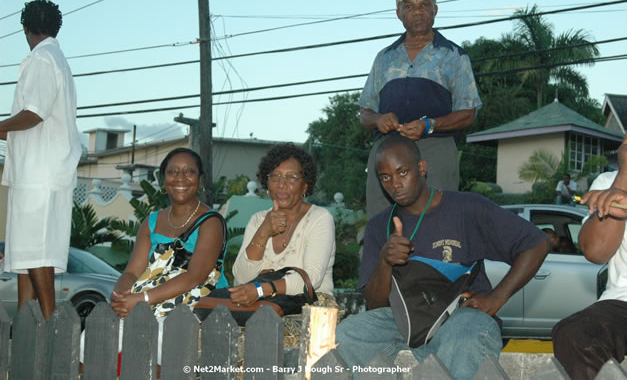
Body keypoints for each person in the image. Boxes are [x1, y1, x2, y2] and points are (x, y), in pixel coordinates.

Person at [335, 135, 550, 380]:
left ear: (422, 168)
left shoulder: (467, 208)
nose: (395, 184)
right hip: (401, 320)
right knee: (347, 335)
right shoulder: (378, 227)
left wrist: (496, 298)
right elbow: (375, 306)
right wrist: (385, 261)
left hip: (460, 315)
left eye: (402, 172)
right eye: (386, 177)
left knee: (465, 339)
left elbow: (537, 243)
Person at [82, 148, 226, 363]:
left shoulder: (210, 221)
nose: (180, 178)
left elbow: (195, 276)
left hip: (194, 301)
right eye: (173, 172)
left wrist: (142, 300)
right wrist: (121, 297)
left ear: (201, 179)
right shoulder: (152, 221)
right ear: (163, 179)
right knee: (94, 337)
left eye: (189, 172)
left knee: (159, 343)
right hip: (148, 299)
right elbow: (132, 271)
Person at [359, 0, 482, 219]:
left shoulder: (454, 55)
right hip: (387, 151)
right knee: (381, 222)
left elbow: (469, 112)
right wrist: (379, 119)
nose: (417, 11)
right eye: (409, 6)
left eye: (424, 5)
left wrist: (430, 125)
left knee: (438, 222)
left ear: (435, 10)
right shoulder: (384, 58)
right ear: (398, 13)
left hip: (436, 149)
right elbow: (365, 113)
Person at [0, 0, 81, 320]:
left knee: (37, 252)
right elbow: (31, 125)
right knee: (25, 254)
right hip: (43, 171)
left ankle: (47, 323)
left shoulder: (42, 59)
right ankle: (25, 325)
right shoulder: (56, 59)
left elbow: (33, 113)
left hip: (39, 175)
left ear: (24, 28)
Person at [552, 135, 627, 380]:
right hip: (622, 302)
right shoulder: (608, 181)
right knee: (574, 333)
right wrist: (623, 179)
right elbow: (595, 252)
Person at [231, 143, 335, 306]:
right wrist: (263, 232)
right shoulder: (258, 220)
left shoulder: (319, 219)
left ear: (305, 186)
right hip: (260, 310)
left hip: (309, 313)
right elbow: (242, 278)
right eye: (275, 176)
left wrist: (261, 289)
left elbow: (311, 278)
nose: (282, 184)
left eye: (292, 177)